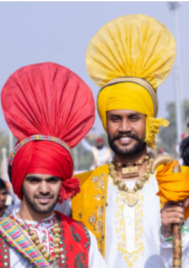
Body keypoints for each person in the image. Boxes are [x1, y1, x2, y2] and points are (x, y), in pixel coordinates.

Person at [71, 14, 189, 268]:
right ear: (106, 123)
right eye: (115, 119)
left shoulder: (176, 182)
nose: (124, 128)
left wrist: (169, 233)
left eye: (133, 118)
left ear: (149, 121)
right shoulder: (84, 187)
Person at [0, 62, 105, 267]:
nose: (44, 189)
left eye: (53, 180)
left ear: (62, 183)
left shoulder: (82, 237)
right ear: (19, 182)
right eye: (34, 180)